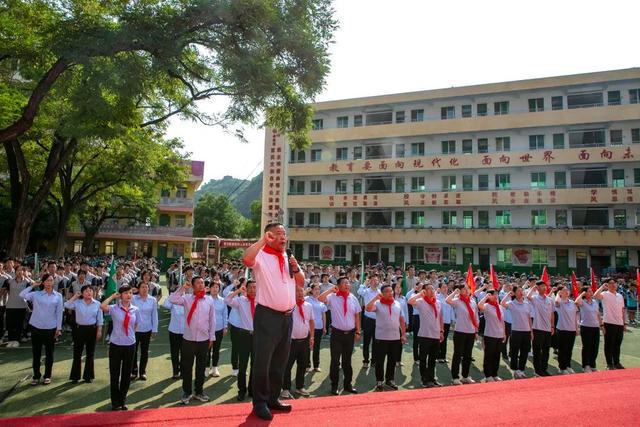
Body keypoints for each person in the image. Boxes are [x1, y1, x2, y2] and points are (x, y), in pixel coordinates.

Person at [242, 223, 305, 421]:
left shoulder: (288, 257)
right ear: (269, 235)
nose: (283, 237)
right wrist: (262, 241)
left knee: (280, 361)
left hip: (287, 316)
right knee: (263, 361)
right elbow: (246, 258)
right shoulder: (261, 255)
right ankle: (259, 402)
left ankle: (272, 398)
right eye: (278, 233)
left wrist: (295, 267)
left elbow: (301, 281)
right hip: (267, 316)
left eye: (284, 233)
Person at [169, 276, 216, 405]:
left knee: (201, 367)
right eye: (198, 283)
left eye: (202, 282)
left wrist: (212, 337)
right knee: (187, 367)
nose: (201, 285)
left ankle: (199, 391)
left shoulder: (209, 300)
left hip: (204, 339)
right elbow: (172, 299)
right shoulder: (187, 298)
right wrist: (182, 288)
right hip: (188, 339)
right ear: (193, 286)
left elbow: (212, 320)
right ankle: (187, 392)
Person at [319, 277, 361, 396]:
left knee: (347, 361)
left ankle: (348, 385)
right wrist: (331, 290)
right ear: (338, 285)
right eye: (344, 283)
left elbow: (357, 315)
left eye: (348, 283)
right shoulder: (332, 297)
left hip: (350, 334)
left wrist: (358, 331)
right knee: (335, 361)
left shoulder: (353, 298)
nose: (347, 284)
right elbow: (320, 299)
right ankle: (334, 385)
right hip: (337, 334)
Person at [19, 273, 63, 385]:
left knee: (49, 354)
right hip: (36, 327)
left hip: (51, 328)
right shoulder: (36, 294)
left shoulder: (58, 296)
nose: (49, 282)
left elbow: (59, 313)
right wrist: (33, 285)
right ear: (43, 282)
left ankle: (47, 376)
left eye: (51, 280)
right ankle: (36, 376)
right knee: (36, 353)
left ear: (53, 282)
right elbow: (22, 294)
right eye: (47, 280)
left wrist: (59, 328)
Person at [101, 285, 140, 411]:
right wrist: (112, 296)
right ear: (121, 295)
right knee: (115, 374)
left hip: (130, 345)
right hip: (116, 345)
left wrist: (129, 336)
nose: (128, 295)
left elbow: (136, 325)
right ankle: (115, 402)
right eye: (125, 293)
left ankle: (122, 400)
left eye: (130, 293)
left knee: (126, 374)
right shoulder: (114, 308)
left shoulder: (135, 309)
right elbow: (102, 307)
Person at [366, 284, 407, 391]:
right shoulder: (378, 303)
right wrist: (375, 298)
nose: (391, 293)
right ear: (382, 293)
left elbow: (401, 320)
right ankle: (379, 380)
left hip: (395, 337)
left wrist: (403, 334)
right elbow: (368, 308)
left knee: (392, 360)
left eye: (391, 291)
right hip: (381, 337)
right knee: (380, 361)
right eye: (387, 291)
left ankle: (390, 379)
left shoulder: (397, 304)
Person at [225, 280, 256, 402]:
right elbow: (227, 300)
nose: (253, 290)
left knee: (255, 365)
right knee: (242, 365)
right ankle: (241, 391)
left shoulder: (261, 301)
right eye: (251, 288)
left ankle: (252, 390)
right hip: (244, 335)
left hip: (257, 336)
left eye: (255, 287)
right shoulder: (241, 301)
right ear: (246, 289)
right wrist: (238, 290)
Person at [65, 285, 103, 383]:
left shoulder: (97, 304)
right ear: (82, 293)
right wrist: (75, 296)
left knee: (90, 353)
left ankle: (88, 376)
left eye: (91, 290)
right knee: (77, 353)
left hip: (92, 329)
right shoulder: (77, 302)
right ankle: (75, 376)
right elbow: (67, 305)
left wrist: (99, 330)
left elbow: (100, 319)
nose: (89, 292)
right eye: (86, 291)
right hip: (79, 329)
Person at [408, 284, 444, 387]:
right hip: (424, 335)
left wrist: (441, 331)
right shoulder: (421, 301)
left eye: (432, 288)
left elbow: (440, 318)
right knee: (423, 359)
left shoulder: (438, 302)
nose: (431, 290)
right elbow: (410, 301)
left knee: (433, 359)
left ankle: (432, 378)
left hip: (436, 335)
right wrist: (420, 294)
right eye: (428, 289)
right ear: (424, 291)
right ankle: (424, 380)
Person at [281, 286, 314, 398]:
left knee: (303, 365)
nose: (300, 293)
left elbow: (311, 322)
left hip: (304, 340)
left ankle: (300, 387)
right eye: (297, 291)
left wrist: (312, 337)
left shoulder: (308, 306)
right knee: (287, 366)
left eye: (301, 291)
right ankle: (285, 388)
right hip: (291, 341)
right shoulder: (289, 305)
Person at [446, 284, 479, 385]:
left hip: (471, 331)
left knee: (467, 355)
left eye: (467, 289)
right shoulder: (457, 301)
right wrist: (454, 293)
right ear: (459, 291)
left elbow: (476, 316)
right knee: (457, 354)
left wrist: (476, 331)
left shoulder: (473, 302)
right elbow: (447, 300)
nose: (466, 291)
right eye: (464, 289)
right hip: (460, 331)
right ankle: (455, 377)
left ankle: (465, 376)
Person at [594, 278, 626, 370]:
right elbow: (596, 295)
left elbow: (622, 310)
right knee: (609, 344)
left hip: (619, 323)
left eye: (614, 283)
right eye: (610, 283)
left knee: (617, 344)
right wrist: (602, 287)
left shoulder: (620, 296)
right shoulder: (605, 294)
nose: (613, 285)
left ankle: (617, 362)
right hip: (609, 323)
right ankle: (609, 363)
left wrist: (624, 323)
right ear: (607, 285)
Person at [501, 285, 532, 379]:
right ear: (514, 293)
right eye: (518, 291)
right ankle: (515, 369)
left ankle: (521, 370)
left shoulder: (527, 304)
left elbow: (529, 318)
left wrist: (531, 331)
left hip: (526, 331)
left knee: (524, 351)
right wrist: (508, 294)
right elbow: (502, 303)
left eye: (521, 290)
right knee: (514, 352)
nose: (521, 292)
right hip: (516, 331)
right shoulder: (512, 303)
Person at [131, 282, 158, 380]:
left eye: (146, 287)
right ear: (138, 289)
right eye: (142, 287)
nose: (144, 289)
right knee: (133, 351)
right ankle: (133, 371)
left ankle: (142, 372)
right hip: (134, 330)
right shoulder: (133, 298)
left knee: (144, 352)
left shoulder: (153, 300)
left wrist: (154, 329)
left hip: (147, 329)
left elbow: (154, 315)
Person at [527, 280, 554, 377]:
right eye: (541, 286)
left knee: (546, 351)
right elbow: (528, 296)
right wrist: (533, 288)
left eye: (544, 286)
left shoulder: (550, 300)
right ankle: (537, 370)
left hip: (547, 329)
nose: (544, 287)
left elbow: (552, 314)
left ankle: (544, 369)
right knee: (537, 351)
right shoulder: (535, 298)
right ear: (537, 288)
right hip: (537, 328)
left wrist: (552, 326)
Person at [478, 290, 505, 382]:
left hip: (499, 334)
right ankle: (488, 375)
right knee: (489, 355)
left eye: (496, 294)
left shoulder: (500, 307)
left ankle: (495, 374)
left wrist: (504, 333)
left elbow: (502, 321)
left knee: (497, 355)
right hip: (490, 334)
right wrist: (486, 297)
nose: (496, 296)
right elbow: (480, 306)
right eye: (493, 295)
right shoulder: (487, 306)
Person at [1, 265, 31, 348]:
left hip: (21, 306)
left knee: (19, 324)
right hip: (10, 305)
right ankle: (10, 340)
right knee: (10, 324)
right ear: (15, 271)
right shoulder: (9, 281)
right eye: (18, 270)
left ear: (24, 272)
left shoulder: (27, 282)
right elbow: (4, 292)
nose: (19, 272)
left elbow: (29, 295)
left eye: (21, 270)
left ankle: (16, 340)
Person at [575, 285, 601, 372]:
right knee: (587, 347)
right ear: (585, 293)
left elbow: (598, 314)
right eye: (589, 291)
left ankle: (592, 365)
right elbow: (576, 302)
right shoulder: (582, 302)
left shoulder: (595, 302)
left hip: (595, 327)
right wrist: (582, 293)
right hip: (586, 327)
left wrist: (601, 325)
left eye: (591, 291)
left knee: (595, 347)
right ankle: (585, 365)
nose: (591, 292)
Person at [357, 274, 381, 368]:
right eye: (373, 280)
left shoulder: (380, 292)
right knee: (366, 342)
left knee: (376, 342)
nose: (375, 282)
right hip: (368, 320)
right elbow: (359, 292)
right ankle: (365, 361)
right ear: (370, 282)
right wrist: (364, 283)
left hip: (378, 320)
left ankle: (373, 361)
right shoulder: (366, 291)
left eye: (376, 280)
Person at [554, 285, 579, 374]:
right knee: (562, 349)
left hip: (572, 329)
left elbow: (575, 316)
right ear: (560, 293)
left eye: (567, 290)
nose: (566, 291)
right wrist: (558, 293)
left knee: (569, 349)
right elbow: (556, 301)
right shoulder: (559, 303)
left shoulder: (572, 302)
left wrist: (576, 328)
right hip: (562, 329)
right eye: (564, 290)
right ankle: (562, 367)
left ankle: (568, 366)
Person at [206, 281, 228, 377]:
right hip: (207, 329)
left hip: (219, 328)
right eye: (213, 287)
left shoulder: (222, 300)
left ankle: (215, 368)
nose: (215, 289)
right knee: (207, 350)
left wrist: (225, 327)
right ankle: (206, 368)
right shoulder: (205, 299)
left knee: (216, 349)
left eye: (217, 287)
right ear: (209, 288)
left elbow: (225, 314)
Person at [162, 291, 185, 379]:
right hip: (174, 330)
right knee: (174, 352)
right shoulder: (172, 300)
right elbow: (165, 304)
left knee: (185, 353)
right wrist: (175, 293)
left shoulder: (187, 299)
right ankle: (175, 371)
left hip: (185, 331)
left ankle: (183, 371)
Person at [306, 283, 327, 372]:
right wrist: (305, 291)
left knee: (316, 347)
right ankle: (307, 365)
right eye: (315, 289)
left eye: (319, 289)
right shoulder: (307, 299)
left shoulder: (321, 303)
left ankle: (316, 365)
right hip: (308, 327)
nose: (317, 291)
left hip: (319, 327)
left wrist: (324, 327)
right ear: (311, 290)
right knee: (307, 347)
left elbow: (324, 315)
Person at [436, 282, 453, 363]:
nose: (445, 288)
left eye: (446, 287)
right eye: (443, 287)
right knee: (439, 339)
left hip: (447, 321)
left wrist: (452, 320)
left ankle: (443, 356)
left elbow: (451, 309)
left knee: (445, 339)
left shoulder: (449, 297)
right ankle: (437, 356)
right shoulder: (437, 297)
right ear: (439, 289)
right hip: (439, 322)